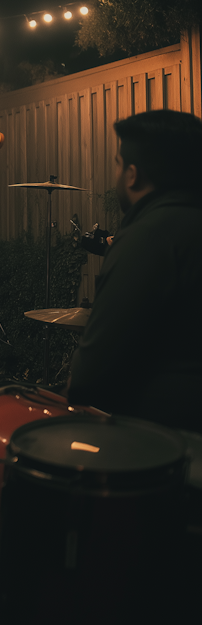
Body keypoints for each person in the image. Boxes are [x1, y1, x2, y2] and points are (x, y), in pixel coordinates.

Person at [68, 109, 202, 431]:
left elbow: (90, 378)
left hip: (164, 449)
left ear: (132, 174)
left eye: (117, 164)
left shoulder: (147, 237)